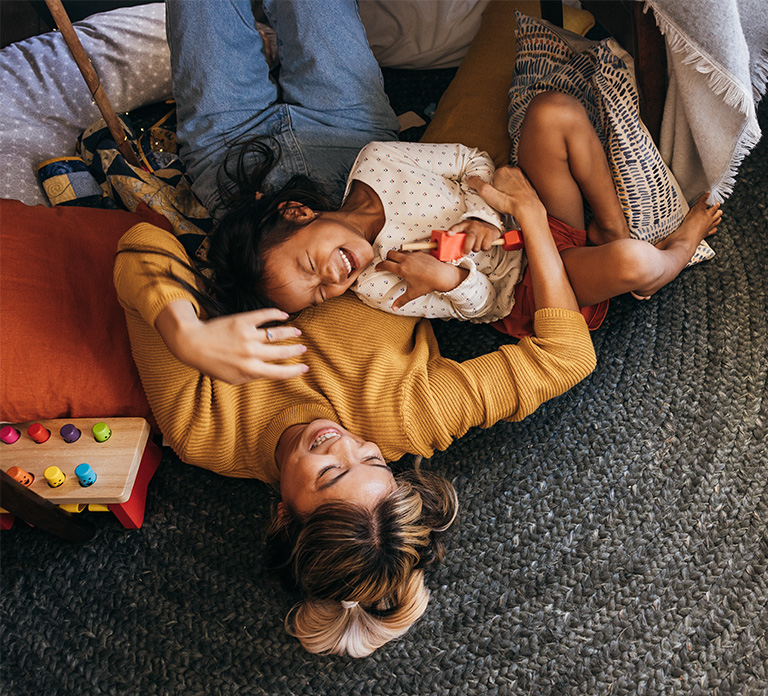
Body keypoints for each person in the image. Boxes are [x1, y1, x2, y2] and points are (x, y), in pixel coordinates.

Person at [130, 0, 595, 659]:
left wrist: (184, 334)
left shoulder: (204, 430)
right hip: (358, 155)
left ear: (284, 514)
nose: (345, 442)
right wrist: (534, 220)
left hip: (240, 177)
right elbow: (565, 358)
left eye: (328, 472)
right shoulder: (408, 418)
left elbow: (141, 247)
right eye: (371, 461)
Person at [205, 93, 723, 339]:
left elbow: (471, 162)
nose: (331, 280)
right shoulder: (384, 284)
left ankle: (607, 224)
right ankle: (670, 259)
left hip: (522, 219)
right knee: (634, 262)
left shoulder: (378, 161)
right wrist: (449, 278)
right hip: (534, 286)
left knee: (553, 112)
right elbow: (485, 308)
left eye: (307, 267)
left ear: (296, 212)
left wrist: (486, 217)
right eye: (318, 295)